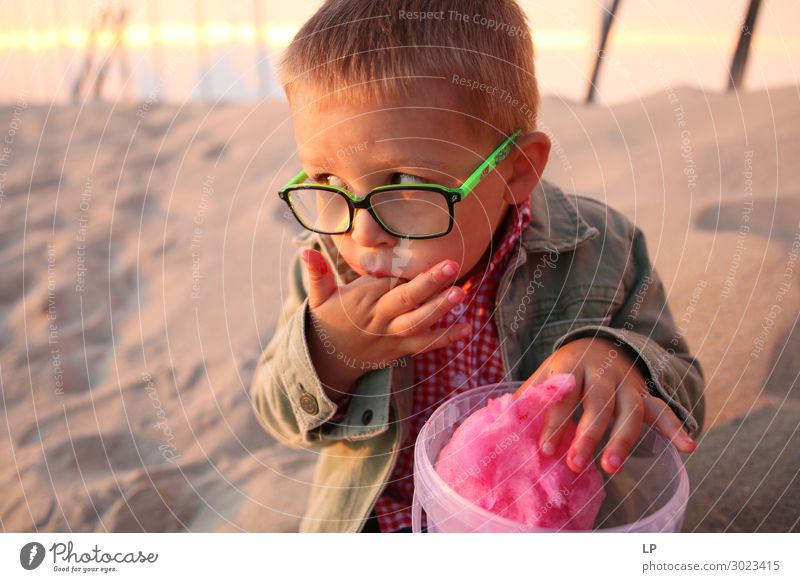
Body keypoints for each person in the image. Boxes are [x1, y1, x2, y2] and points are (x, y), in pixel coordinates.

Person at [250, 0, 705, 533]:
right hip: (385, 521)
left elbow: (686, 393)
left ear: (517, 170)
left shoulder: (601, 247)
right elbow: (277, 413)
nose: (362, 231)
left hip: (541, 528)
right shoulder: (330, 268)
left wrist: (617, 358)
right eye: (326, 181)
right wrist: (332, 350)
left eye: (400, 183)